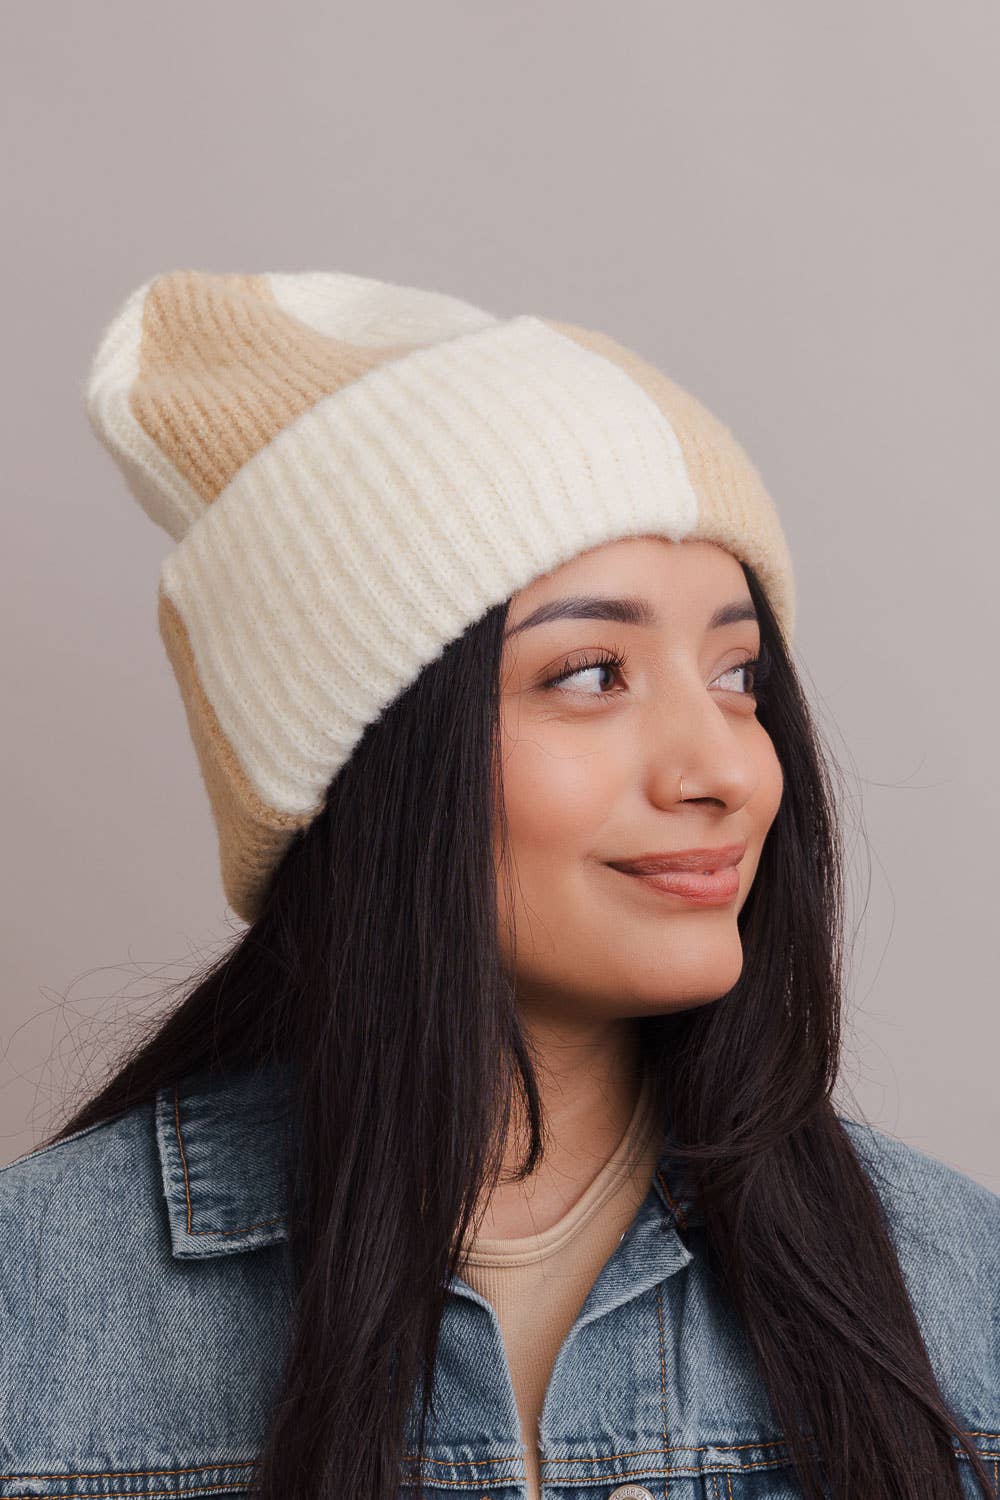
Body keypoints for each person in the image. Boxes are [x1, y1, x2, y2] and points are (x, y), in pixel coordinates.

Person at [0, 269, 996, 1500]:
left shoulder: (956, 1292)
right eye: (591, 673)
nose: (727, 769)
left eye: (738, 675)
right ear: (363, 763)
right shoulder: (35, 1313)